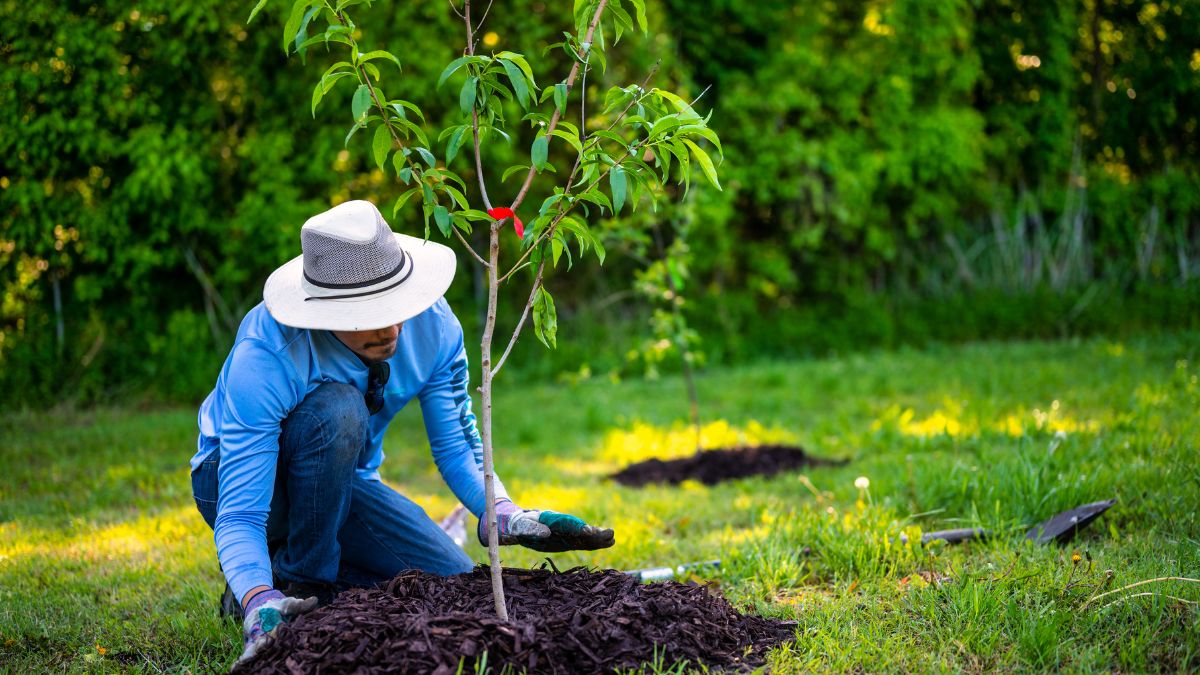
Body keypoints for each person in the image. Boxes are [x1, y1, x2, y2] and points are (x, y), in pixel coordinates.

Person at [189, 200, 614, 663]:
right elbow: (241, 513)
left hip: (343, 485)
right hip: (238, 484)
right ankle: (289, 587)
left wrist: (502, 512)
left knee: (448, 579)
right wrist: (257, 598)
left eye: (396, 305)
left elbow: (457, 443)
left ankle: (286, 573)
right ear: (324, 312)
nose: (391, 327)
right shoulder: (269, 354)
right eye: (367, 313)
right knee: (339, 408)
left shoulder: (434, 327)